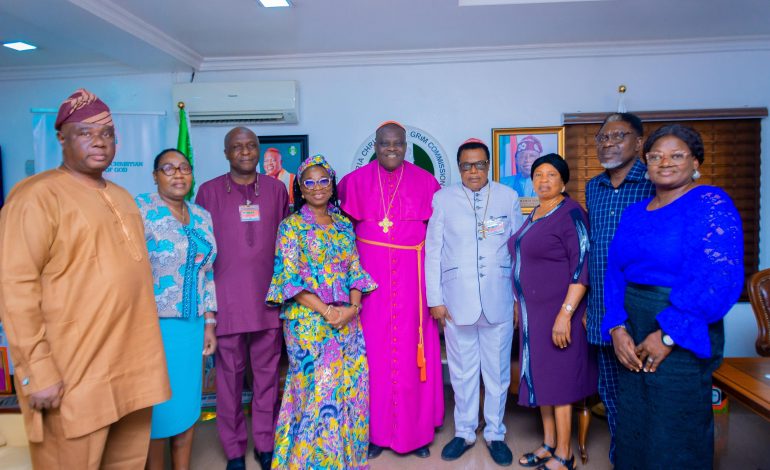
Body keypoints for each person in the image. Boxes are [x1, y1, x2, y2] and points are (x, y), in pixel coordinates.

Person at [0, 88, 170, 468]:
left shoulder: (124, 197)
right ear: (61, 138)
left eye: (107, 133)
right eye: (85, 132)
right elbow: (15, 288)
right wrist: (37, 371)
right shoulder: (35, 197)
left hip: (132, 366)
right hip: (74, 371)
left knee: (127, 460)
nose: (99, 141)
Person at [602, 124, 743, 469]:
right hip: (632, 324)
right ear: (645, 162)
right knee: (635, 419)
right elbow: (614, 271)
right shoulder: (635, 212)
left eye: (676, 155)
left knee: (674, 425)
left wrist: (668, 334)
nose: (665, 162)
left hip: (682, 327)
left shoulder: (710, 203)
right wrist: (617, 327)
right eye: (656, 156)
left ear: (695, 162)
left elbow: (717, 278)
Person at [337, 121, 444, 459]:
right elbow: (341, 238)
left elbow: (440, 240)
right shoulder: (353, 183)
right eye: (385, 144)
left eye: (398, 144)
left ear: (406, 145)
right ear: (376, 146)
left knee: (415, 355)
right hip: (372, 290)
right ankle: (373, 432)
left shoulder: (426, 182)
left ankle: (417, 433)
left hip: (414, 284)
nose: (392, 149)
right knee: (375, 357)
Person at [266, 154, 377, 469]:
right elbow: (288, 279)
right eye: (309, 182)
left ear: (332, 184)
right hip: (308, 322)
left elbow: (356, 269)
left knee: (352, 388)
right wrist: (327, 311)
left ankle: (347, 460)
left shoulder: (343, 223)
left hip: (347, 321)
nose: (317, 187)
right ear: (300, 187)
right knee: (318, 391)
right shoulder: (291, 227)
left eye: (323, 180)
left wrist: (353, 308)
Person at [195, 127, 289, 470]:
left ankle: (265, 444)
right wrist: (207, 311)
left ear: (260, 150)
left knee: (267, 381)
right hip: (227, 305)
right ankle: (234, 449)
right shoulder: (208, 192)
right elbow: (201, 254)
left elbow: (286, 245)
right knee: (229, 384)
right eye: (237, 147)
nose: (245, 152)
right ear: (226, 153)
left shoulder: (277, 190)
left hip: (268, 303)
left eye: (251, 146)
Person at [426, 138, 523, 466]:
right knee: (463, 371)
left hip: (499, 298)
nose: (473, 171)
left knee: (496, 372)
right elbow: (433, 250)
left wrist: (516, 298)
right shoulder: (443, 199)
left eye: (479, 164)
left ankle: (495, 432)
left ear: (489, 165)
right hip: (456, 300)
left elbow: (518, 250)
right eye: (466, 165)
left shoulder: (508, 198)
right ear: (459, 167)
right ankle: (465, 431)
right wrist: (435, 299)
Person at [508, 154, 595, 470]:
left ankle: (565, 454)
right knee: (542, 381)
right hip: (535, 315)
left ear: (563, 180)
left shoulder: (572, 214)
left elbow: (583, 265)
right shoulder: (536, 212)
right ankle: (548, 444)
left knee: (560, 385)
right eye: (538, 174)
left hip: (559, 313)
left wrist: (565, 315)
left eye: (551, 175)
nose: (543, 180)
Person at [137, 149, 218, 470]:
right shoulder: (139, 209)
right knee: (158, 410)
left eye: (184, 168)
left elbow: (208, 272)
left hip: (193, 326)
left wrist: (210, 322)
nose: (178, 174)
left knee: (187, 405)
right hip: (153, 327)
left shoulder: (202, 215)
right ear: (155, 175)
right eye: (168, 168)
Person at [584, 112, 654, 463]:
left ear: (639, 143)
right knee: (611, 396)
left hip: (644, 313)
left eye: (619, 136)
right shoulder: (593, 188)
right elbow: (591, 248)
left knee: (648, 398)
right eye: (603, 138)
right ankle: (621, 459)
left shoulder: (655, 182)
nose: (609, 143)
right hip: (602, 312)